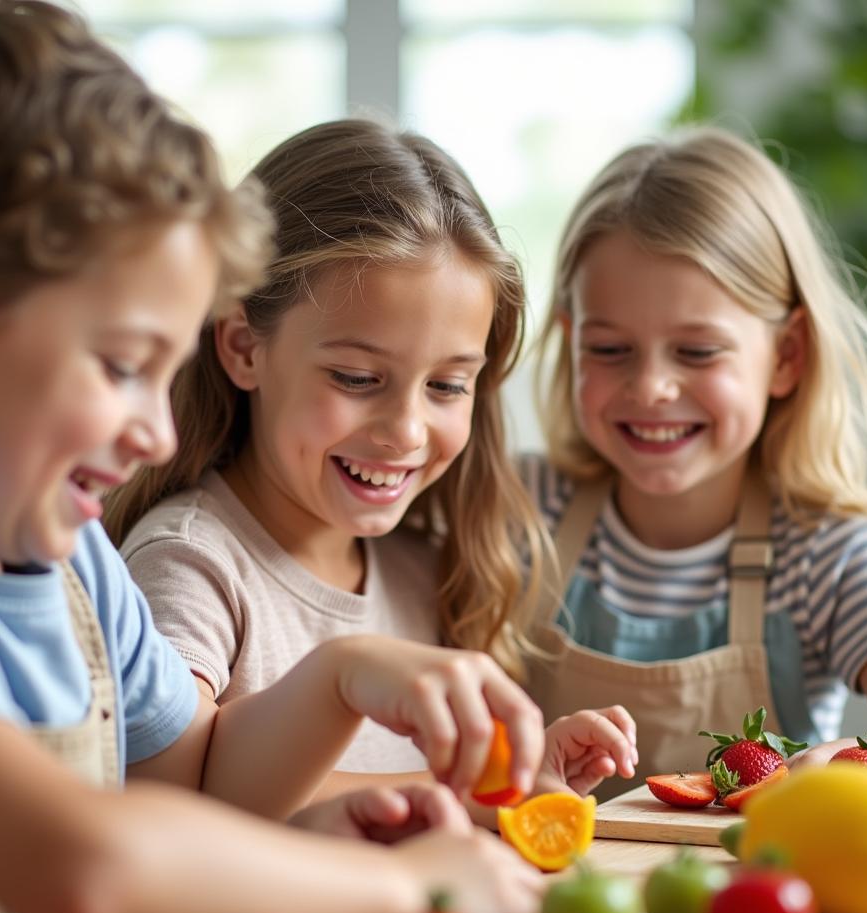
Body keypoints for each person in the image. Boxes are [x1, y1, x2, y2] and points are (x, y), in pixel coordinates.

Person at [0, 4, 625, 913]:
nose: (154, 431)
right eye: (121, 366)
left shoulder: (76, 570)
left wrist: (326, 825)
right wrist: (405, 888)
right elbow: (89, 862)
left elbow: (187, 803)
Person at [102, 118, 639, 810]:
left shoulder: (426, 568)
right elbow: (184, 804)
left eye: (446, 386)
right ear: (242, 347)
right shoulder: (190, 562)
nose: (406, 430)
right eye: (356, 378)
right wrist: (348, 680)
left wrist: (507, 780)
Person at [520, 125, 867, 795]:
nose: (651, 387)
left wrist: (846, 765)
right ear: (573, 342)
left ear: (786, 355)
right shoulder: (522, 510)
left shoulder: (834, 555)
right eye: (610, 350)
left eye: (696, 352)